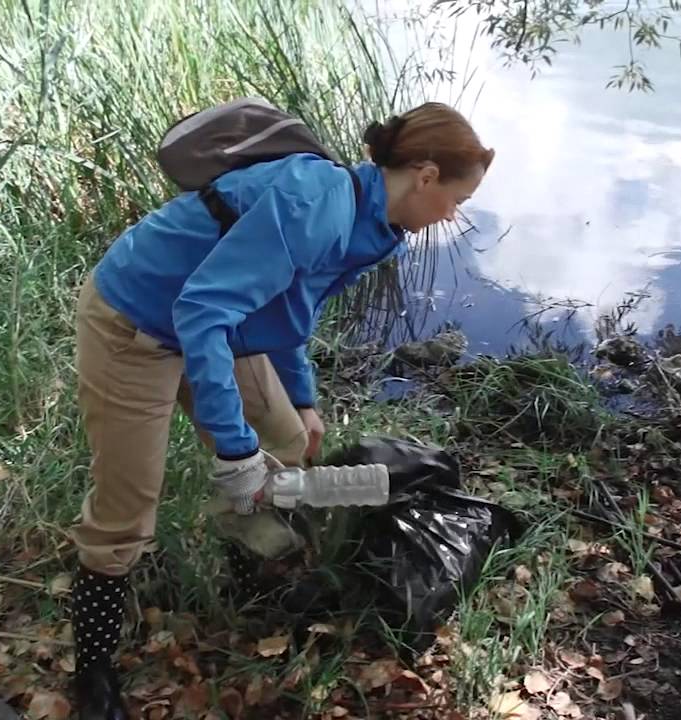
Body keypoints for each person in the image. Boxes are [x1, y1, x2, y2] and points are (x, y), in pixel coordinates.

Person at [67, 101, 494, 719]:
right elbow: (200, 313)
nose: (454, 215)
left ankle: (246, 562)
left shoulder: (377, 228)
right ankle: (94, 672)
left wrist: (302, 397)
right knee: (128, 509)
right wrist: (235, 451)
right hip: (136, 324)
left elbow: (292, 305)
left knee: (290, 440)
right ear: (425, 175)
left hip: (217, 323)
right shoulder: (315, 204)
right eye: (457, 198)